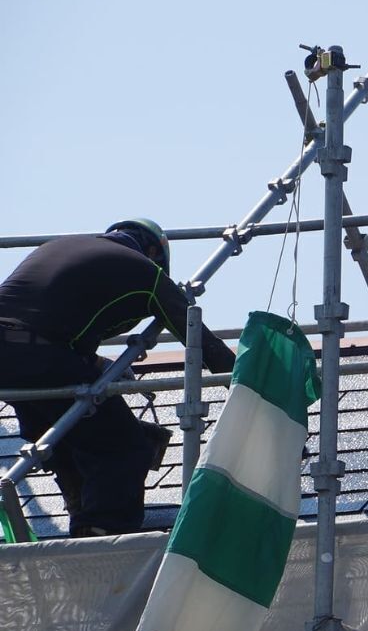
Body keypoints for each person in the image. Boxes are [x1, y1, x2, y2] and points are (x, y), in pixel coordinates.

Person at [0, 219, 235, 536]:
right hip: (39, 358)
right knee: (126, 446)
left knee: (67, 439)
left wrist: (95, 362)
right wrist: (250, 391)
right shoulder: (147, 274)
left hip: (13, 363)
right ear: (152, 251)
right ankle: (103, 533)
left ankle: (82, 517)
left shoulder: (57, 247)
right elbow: (203, 343)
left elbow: (41, 320)